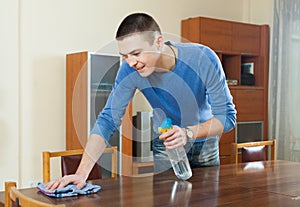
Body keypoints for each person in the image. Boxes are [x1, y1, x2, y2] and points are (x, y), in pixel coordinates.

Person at [46, 12, 236, 190]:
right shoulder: (130, 71)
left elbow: (227, 117)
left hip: (204, 141)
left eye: (136, 53)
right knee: (167, 200)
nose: (130, 62)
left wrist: (187, 133)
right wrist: (81, 174)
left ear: (159, 42)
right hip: (166, 145)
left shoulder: (203, 58)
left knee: (207, 199)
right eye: (125, 56)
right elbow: (107, 120)